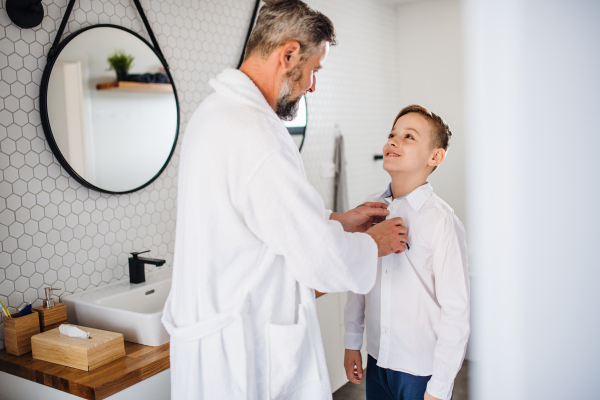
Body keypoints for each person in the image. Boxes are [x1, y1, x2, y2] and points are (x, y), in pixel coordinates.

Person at [161, 1, 409, 399]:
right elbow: (318, 259)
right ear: (289, 54)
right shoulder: (255, 133)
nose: (313, 85)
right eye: (314, 71)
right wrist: (372, 245)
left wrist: (338, 220)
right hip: (242, 355)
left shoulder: (215, 114)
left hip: (215, 343)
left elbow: (261, 218)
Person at [343, 105, 470, 400]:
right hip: (377, 360)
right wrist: (352, 342)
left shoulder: (441, 221)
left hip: (420, 371)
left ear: (435, 157)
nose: (394, 141)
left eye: (409, 136)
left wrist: (439, 387)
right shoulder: (370, 209)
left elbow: (457, 311)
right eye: (392, 134)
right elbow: (357, 281)